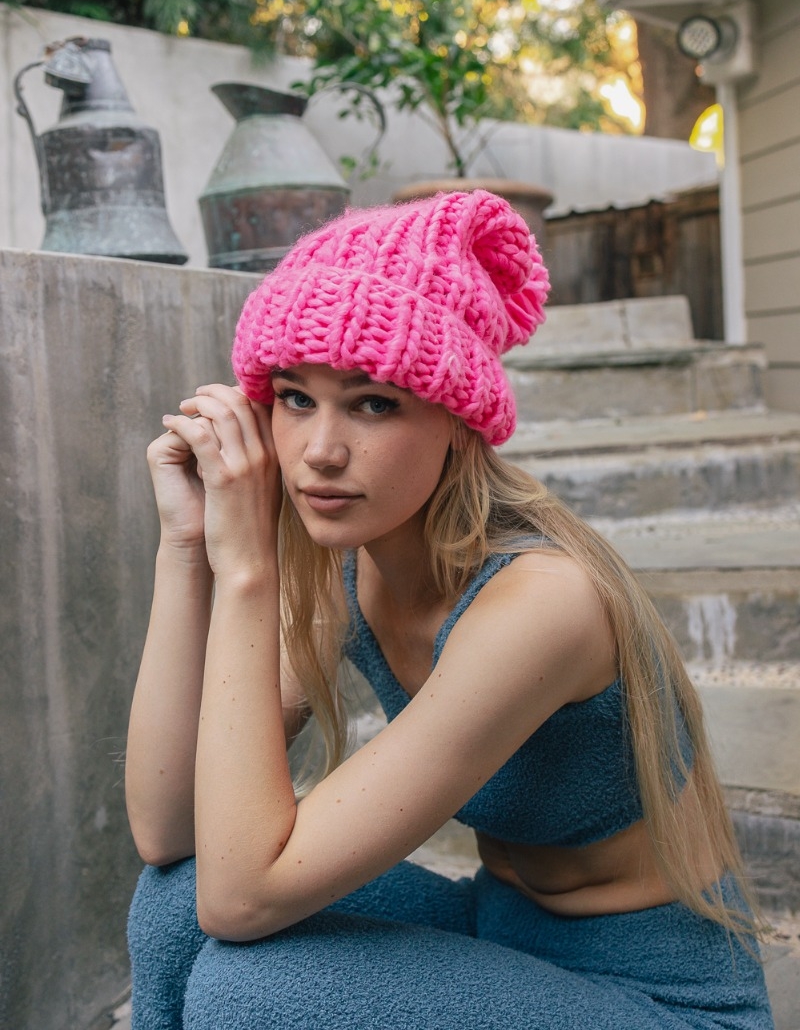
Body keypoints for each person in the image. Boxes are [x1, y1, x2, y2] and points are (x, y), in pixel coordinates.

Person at [125, 189, 774, 1029]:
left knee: (254, 987)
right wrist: (185, 550)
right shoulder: (355, 565)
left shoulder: (540, 604)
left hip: (660, 998)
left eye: (373, 403)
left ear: (460, 421)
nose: (320, 452)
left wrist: (245, 567)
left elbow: (244, 901)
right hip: (502, 935)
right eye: (295, 397)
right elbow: (168, 829)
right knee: (175, 896)